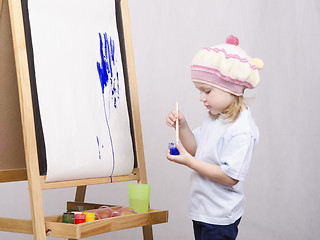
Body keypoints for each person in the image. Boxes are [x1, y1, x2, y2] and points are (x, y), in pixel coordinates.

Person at [166, 35, 263, 240]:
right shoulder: (216, 118)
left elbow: (230, 177)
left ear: (231, 88)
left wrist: (190, 162)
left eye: (207, 91)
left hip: (220, 216)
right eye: (199, 91)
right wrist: (182, 126)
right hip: (203, 210)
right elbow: (195, 149)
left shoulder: (242, 130)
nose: (202, 97)